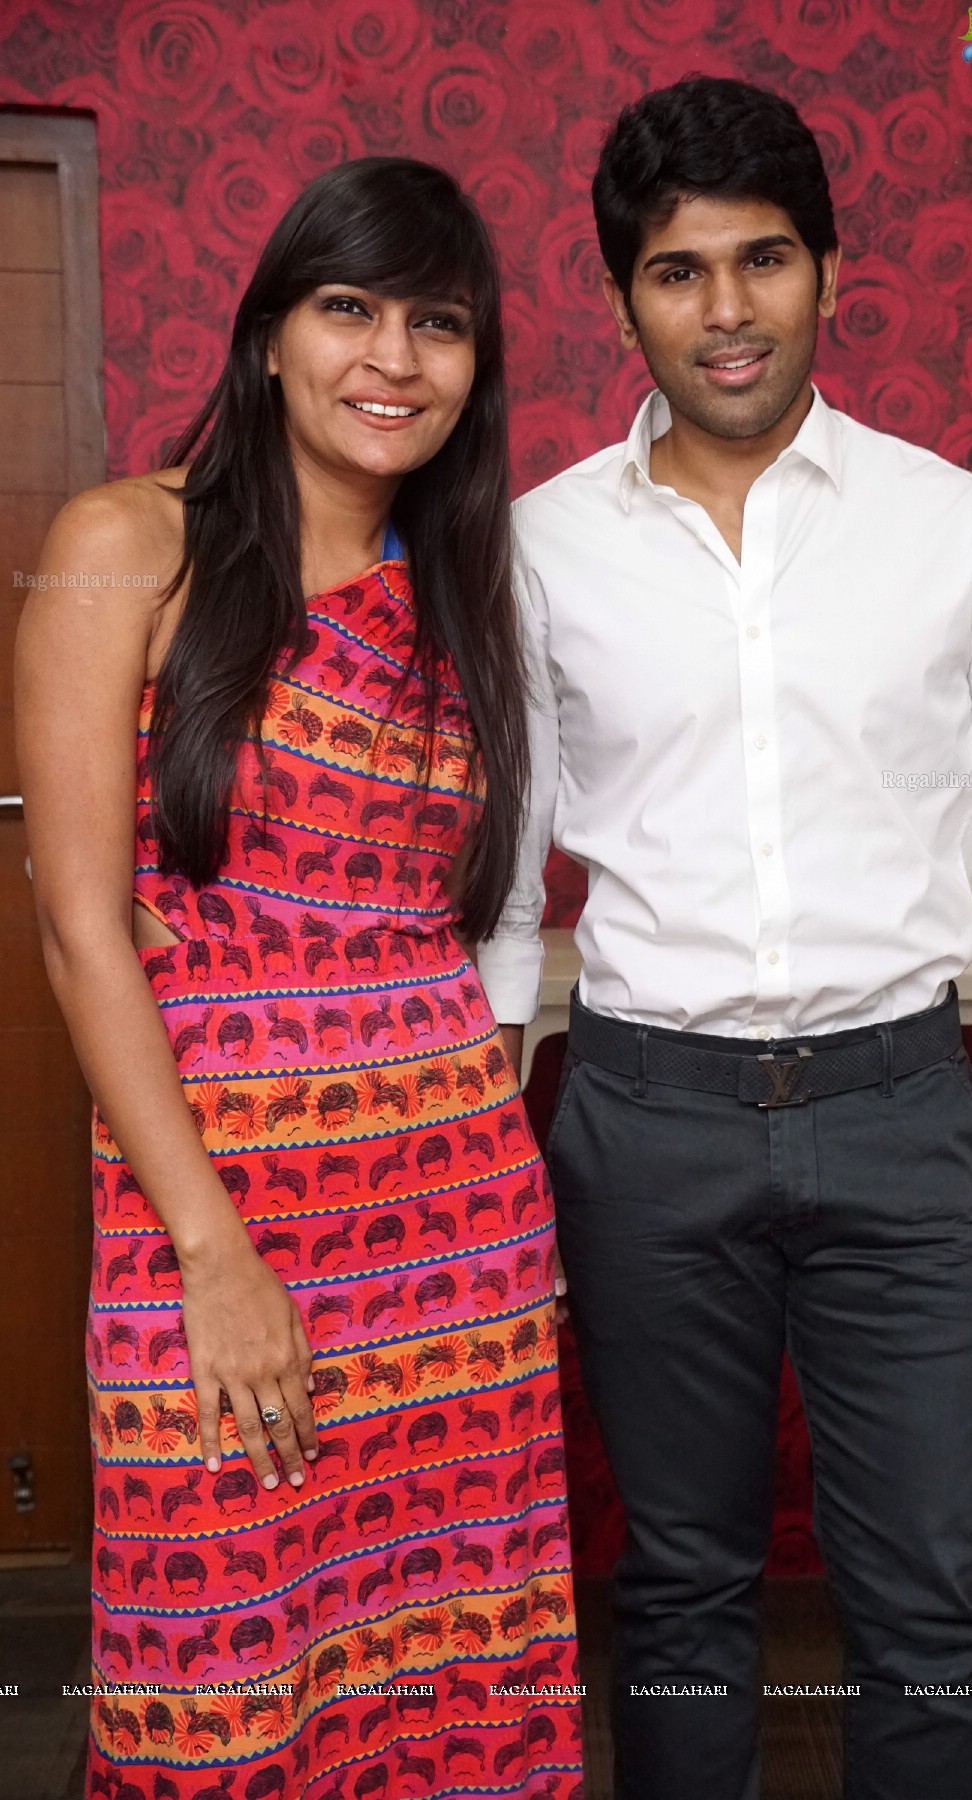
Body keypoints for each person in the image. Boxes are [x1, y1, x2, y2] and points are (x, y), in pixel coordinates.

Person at [476, 77, 972, 1800]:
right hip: (644, 1123)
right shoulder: (534, 553)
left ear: (833, 271)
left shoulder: (962, 528)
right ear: (624, 301)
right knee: (678, 1595)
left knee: (924, 1603)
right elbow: (501, 875)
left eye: (765, 261)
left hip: (906, 1121)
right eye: (680, 274)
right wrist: (479, 1170)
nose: (728, 310)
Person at [16, 156, 582, 1800]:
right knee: (225, 1666)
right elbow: (80, 929)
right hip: (212, 1198)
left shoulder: (467, 594)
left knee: (448, 1645)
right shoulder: (126, 543)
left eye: (439, 323)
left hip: (454, 1209)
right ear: (269, 333)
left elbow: (472, 926)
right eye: (351, 308)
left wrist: (505, 1211)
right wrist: (212, 1251)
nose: (392, 358)